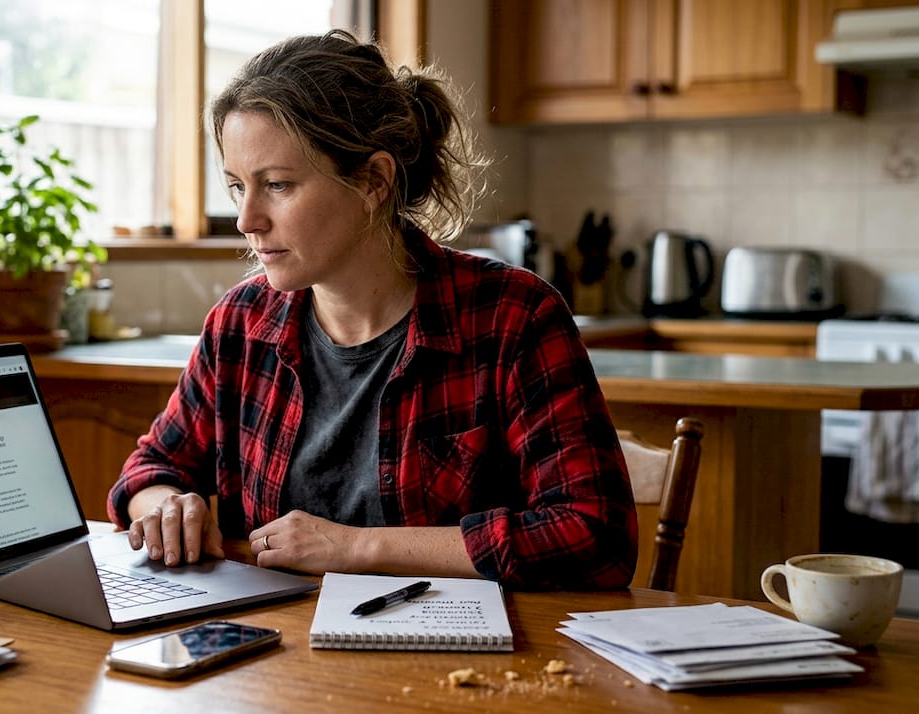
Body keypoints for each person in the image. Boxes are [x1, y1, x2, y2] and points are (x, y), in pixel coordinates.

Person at [106, 29, 637, 589]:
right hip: (272, 642)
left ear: (374, 181)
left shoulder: (514, 316)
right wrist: (167, 506)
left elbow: (596, 537)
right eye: (238, 187)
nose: (246, 220)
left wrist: (358, 547)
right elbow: (148, 472)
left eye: (278, 185)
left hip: (452, 643)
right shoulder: (240, 324)